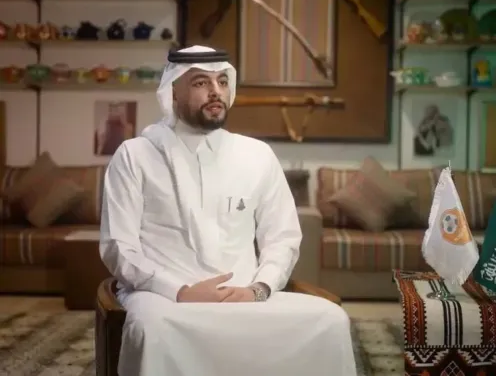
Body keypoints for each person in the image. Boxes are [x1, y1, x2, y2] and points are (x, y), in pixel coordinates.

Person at [99, 45, 356, 376]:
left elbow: (283, 237)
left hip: (244, 296)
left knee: (331, 320)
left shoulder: (256, 155)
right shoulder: (134, 156)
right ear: (173, 91)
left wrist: (258, 289)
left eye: (222, 81)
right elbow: (119, 246)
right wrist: (180, 291)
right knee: (154, 331)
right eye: (200, 83)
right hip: (165, 299)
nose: (215, 91)